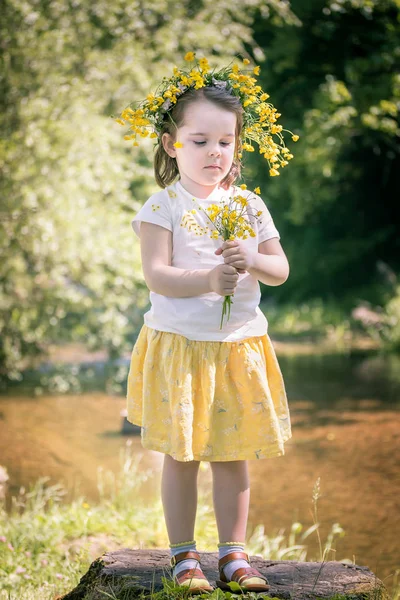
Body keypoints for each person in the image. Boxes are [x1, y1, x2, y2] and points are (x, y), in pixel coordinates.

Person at [121, 53, 295, 594]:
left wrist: (250, 256)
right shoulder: (162, 206)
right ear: (173, 144)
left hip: (238, 345)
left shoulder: (248, 204)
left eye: (225, 142)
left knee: (232, 451)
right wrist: (209, 279)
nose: (214, 153)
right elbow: (157, 276)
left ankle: (233, 556)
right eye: (200, 141)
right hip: (181, 346)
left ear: (237, 145)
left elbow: (280, 271)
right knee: (183, 453)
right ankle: (182, 556)